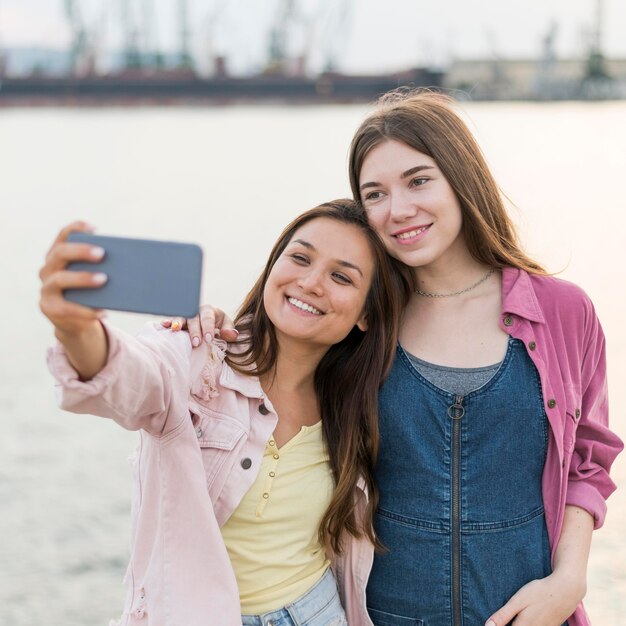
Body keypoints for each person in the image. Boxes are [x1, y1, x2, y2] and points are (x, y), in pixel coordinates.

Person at [181, 90, 623, 626]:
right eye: (375, 194)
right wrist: (205, 326)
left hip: (531, 613)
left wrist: (568, 580)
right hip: (382, 613)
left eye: (418, 181)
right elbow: (274, 352)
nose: (399, 210)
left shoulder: (561, 311)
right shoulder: (361, 318)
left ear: (461, 179)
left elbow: (587, 458)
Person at [39, 199, 412, 626]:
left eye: (341, 276)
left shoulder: (356, 403)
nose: (310, 282)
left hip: (319, 612)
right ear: (273, 267)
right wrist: (76, 329)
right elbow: (133, 376)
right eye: (300, 258)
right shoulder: (198, 358)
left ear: (366, 314)